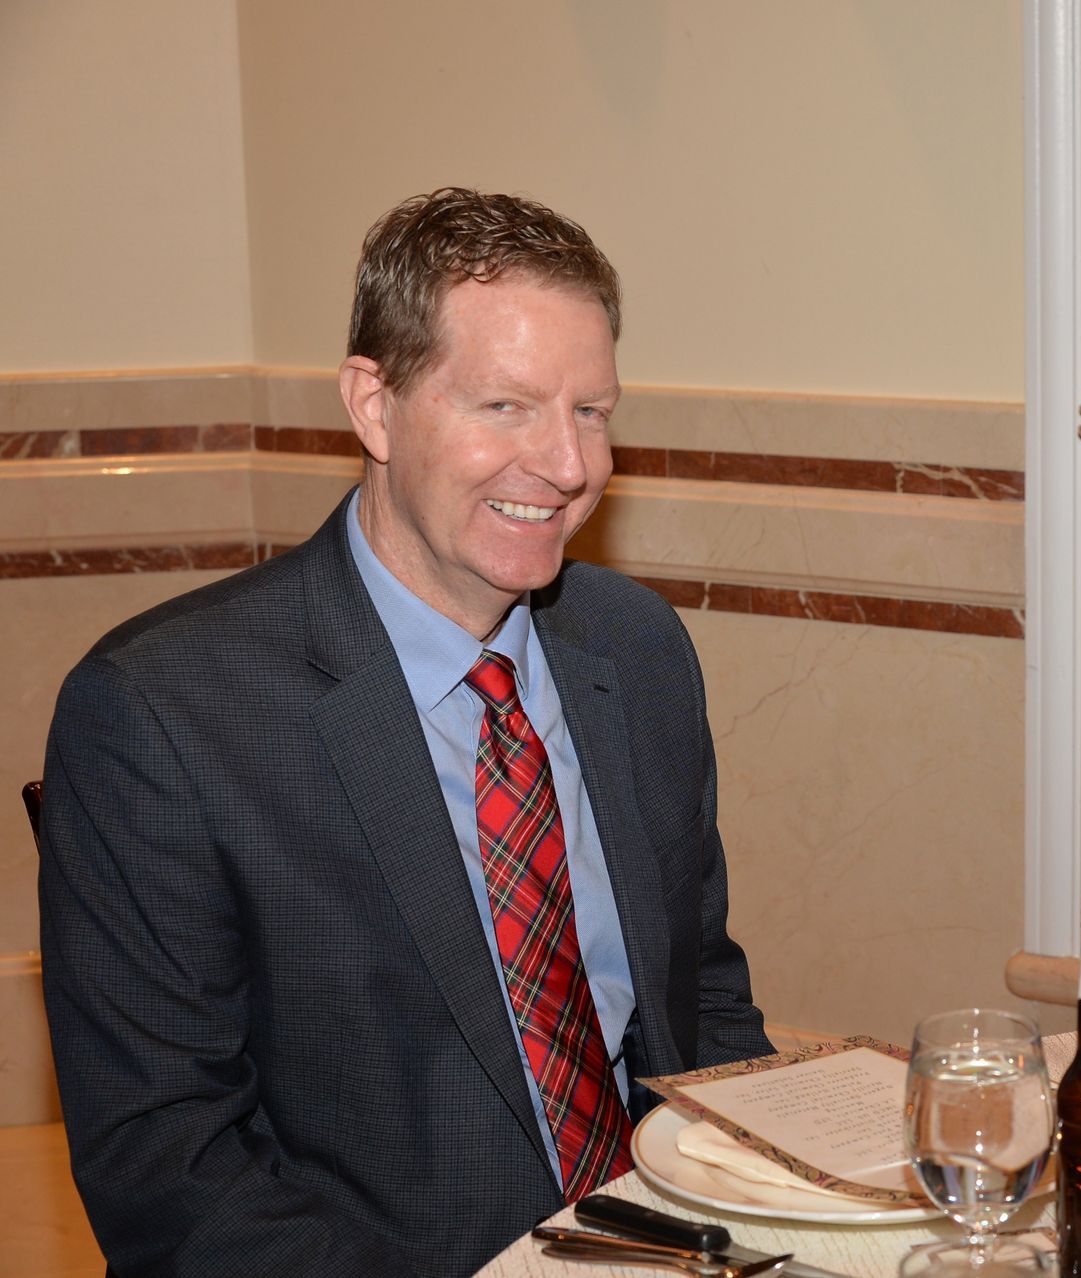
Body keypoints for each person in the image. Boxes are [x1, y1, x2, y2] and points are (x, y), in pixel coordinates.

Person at [38, 189, 772, 1277]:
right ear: (373, 407)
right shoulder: (163, 713)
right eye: (507, 408)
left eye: (592, 412)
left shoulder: (638, 649)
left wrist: (798, 1200)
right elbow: (167, 1163)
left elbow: (699, 995)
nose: (567, 466)